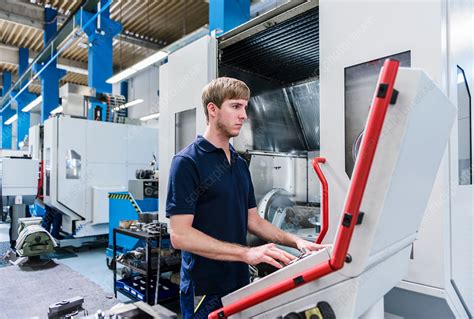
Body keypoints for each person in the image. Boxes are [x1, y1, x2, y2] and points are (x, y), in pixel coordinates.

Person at [166, 77, 325, 318]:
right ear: (213, 109)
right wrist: (245, 253)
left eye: (245, 107)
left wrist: (297, 242)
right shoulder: (187, 162)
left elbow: (254, 221)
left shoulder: (238, 163)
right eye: (236, 106)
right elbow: (180, 235)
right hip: (206, 290)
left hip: (239, 280)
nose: (244, 115)